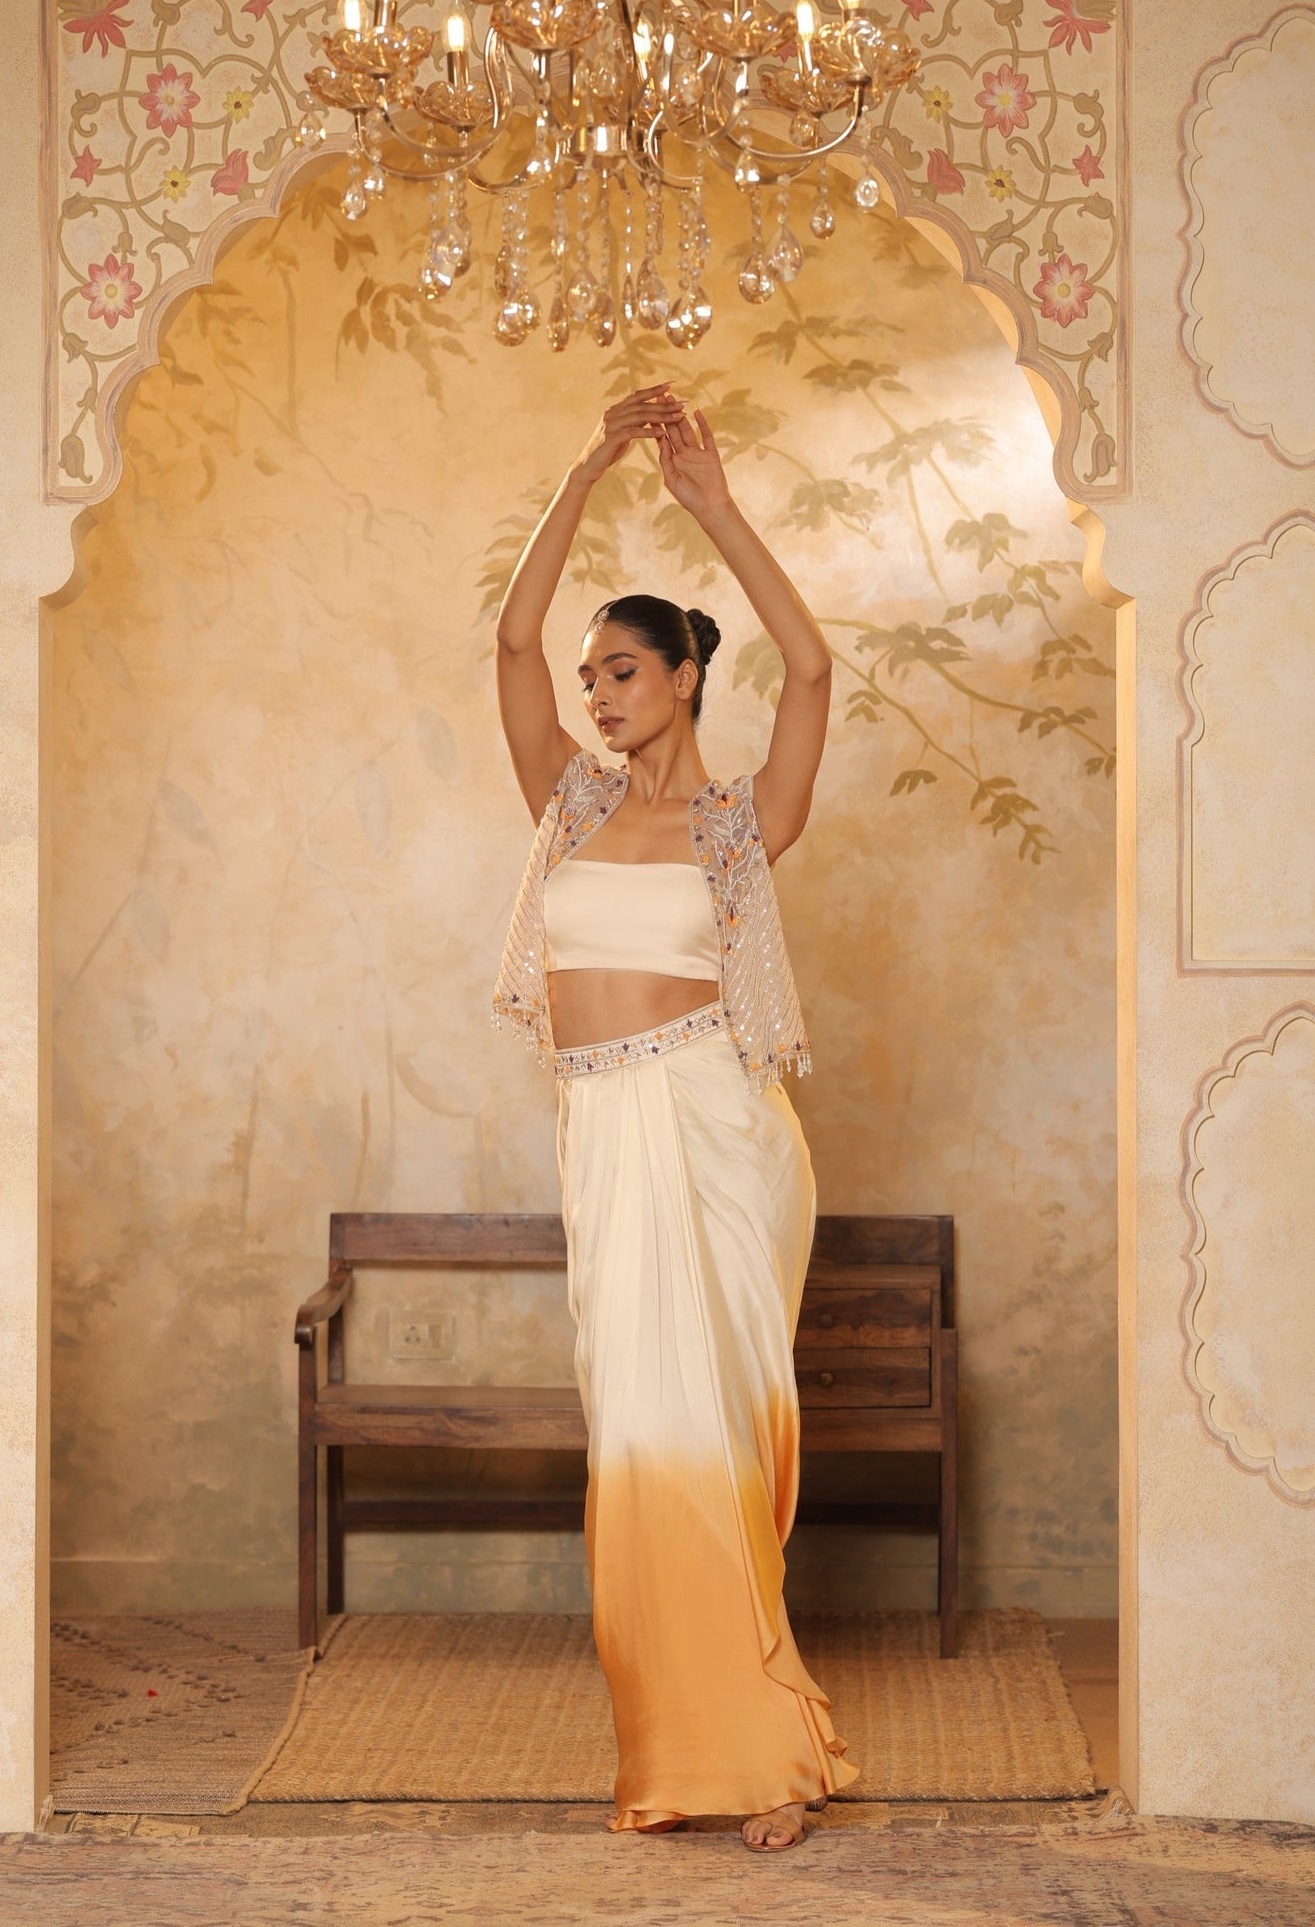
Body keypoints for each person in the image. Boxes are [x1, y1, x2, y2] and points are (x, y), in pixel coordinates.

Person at [492, 383, 858, 1850]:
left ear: (687, 675)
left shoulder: (736, 826)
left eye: (625, 671)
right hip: (603, 1136)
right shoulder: (567, 808)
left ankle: (762, 1751)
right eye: (593, 678)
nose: (595, 693)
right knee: (634, 1437)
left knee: (701, 1429)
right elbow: (508, 642)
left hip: (713, 1136)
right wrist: (586, 462)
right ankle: (683, 1746)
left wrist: (711, 504)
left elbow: (819, 670)